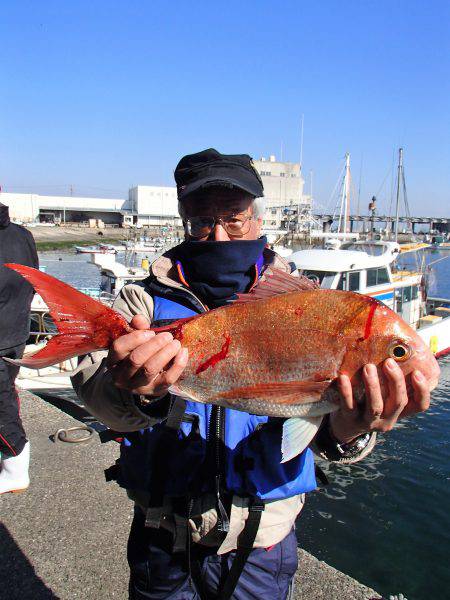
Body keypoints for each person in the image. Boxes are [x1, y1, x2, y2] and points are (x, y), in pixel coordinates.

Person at [72, 149, 431, 600]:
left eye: (234, 219)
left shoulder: (314, 302)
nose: (219, 235)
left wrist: (350, 428)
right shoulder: (141, 303)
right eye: (202, 220)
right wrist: (139, 394)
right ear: (183, 220)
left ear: (257, 220)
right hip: (161, 530)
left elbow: (322, 439)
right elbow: (95, 395)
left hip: (262, 540)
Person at [0, 202, 39, 494]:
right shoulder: (23, 235)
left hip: (5, 334)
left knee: (2, 407)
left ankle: (15, 468)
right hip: (16, 332)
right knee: (7, 398)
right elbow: (35, 280)